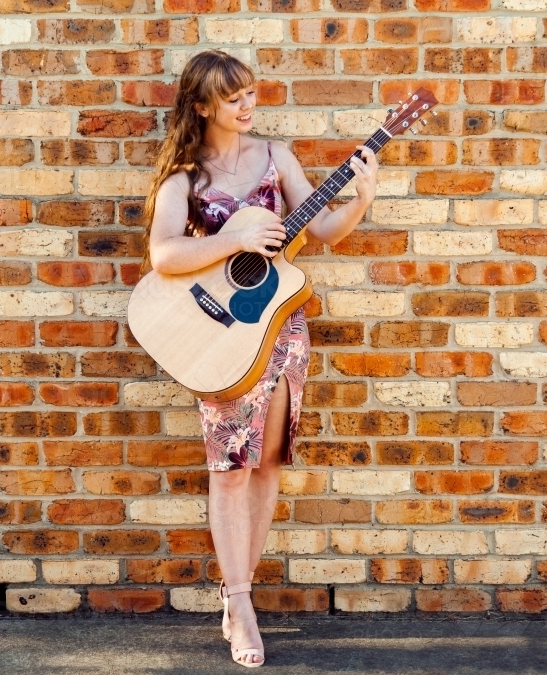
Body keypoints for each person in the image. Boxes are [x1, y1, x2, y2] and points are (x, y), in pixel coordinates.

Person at [142, 50, 379, 668]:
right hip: (222, 337)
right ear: (202, 106)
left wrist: (362, 196)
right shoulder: (185, 177)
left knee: (268, 462)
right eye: (234, 98)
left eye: (252, 94)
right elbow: (164, 256)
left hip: (282, 328)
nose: (249, 107)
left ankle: (234, 594)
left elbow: (324, 230)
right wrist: (236, 239)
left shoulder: (277, 159)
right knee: (230, 468)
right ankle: (241, 605)